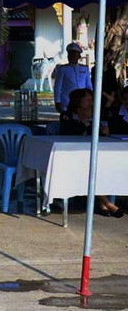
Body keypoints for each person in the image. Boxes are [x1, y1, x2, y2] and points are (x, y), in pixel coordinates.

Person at [59, 88, 124, 217]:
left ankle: (102, 202)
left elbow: (96, 136)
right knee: (88, 168)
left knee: (103, 166)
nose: (91, 103)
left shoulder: (93, 114)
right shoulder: (67, 115)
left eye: (91, 100)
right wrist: (84, 121)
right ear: (78, 101)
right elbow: (69, 134)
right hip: (72, 155)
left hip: (90, 153)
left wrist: (103, 131)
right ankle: (107, 203)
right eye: (87, 100)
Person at [53, 42, 92, 113]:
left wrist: (90, 99)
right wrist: (57, 101)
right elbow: (57, 87)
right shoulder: (62, 69)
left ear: (79, 56)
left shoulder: (84, 68)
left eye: (75, 54)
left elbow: (88, 86)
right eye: (70, 54)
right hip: (67, 102)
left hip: (82, 102)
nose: (72, 57)